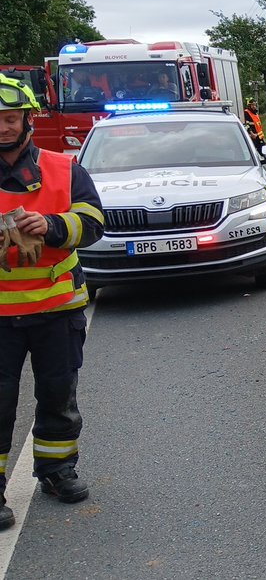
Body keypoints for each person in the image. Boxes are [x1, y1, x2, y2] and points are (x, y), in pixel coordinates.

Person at [0, 75, 104, 529]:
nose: (2, 128)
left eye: (9, 118)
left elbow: (95, 221)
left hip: (57, 310)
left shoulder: (65, 169)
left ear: (26, 119)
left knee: (58, 395)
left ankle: (57, 471)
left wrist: (54, 225)